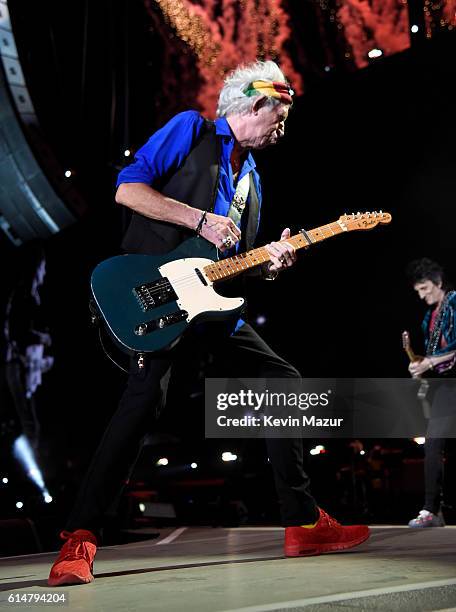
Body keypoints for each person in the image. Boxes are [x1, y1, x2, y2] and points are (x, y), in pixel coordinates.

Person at [48, 60, 369, 587]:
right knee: (144, 399)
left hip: (209, 304)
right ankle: (79, 539)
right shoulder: (191, 130)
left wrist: (272, 262)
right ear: (252, 105)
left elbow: (233, 268)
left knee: (280, 378)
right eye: (280, 114)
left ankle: (303, 521)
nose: (282, 125)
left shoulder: (255, 183)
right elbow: (128, 191)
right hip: (150, 294)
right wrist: (199, 219)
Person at [406, 258, 456, 527]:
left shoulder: (455, 302)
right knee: (434, 442)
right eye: (418, 291)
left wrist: (430, 362)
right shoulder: (429, 317)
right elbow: (437, 356)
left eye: (425, 288)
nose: (422, 295)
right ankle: (431, 510)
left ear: (438, 283)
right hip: (446, 385)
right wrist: (421, 366)